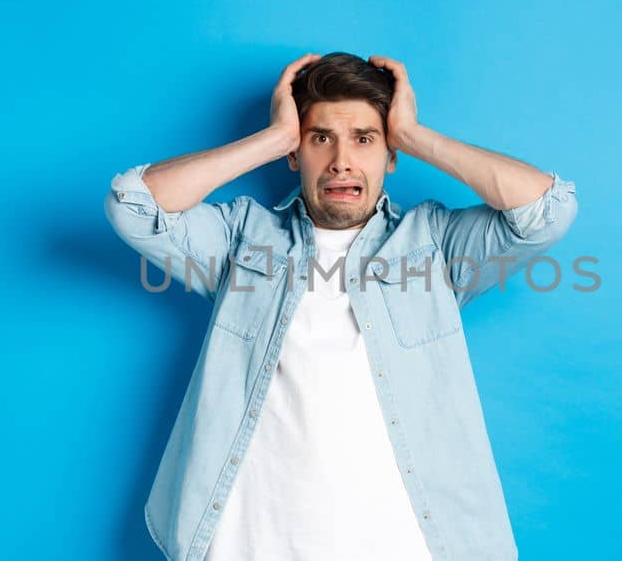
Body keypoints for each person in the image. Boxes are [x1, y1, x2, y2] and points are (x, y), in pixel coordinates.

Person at [105, 51, 579, 561]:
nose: (341, 161)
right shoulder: (242, 237)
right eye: (320, 138)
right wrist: (272, 139)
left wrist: (415, 135)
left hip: (402, 542)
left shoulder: (434, 245)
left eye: (364, 139)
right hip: (250, 539)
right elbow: (133, 205)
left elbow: (548, 211)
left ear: (390, 153)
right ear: (296, 153)